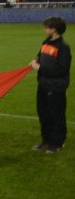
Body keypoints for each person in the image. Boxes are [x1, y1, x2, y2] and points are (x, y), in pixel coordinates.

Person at [28, 16, 69, 154]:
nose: (44, 29)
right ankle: (46, 141)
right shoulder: (45, 42)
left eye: (47, 27)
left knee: (56, 115)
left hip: (56, 86)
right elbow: (40, 57)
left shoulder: (63, 48)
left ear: (54, 29)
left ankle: (57, 143)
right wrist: (35, 60)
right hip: (43, 84)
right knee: (43, 113)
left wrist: (39, 67)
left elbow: (61, 70)